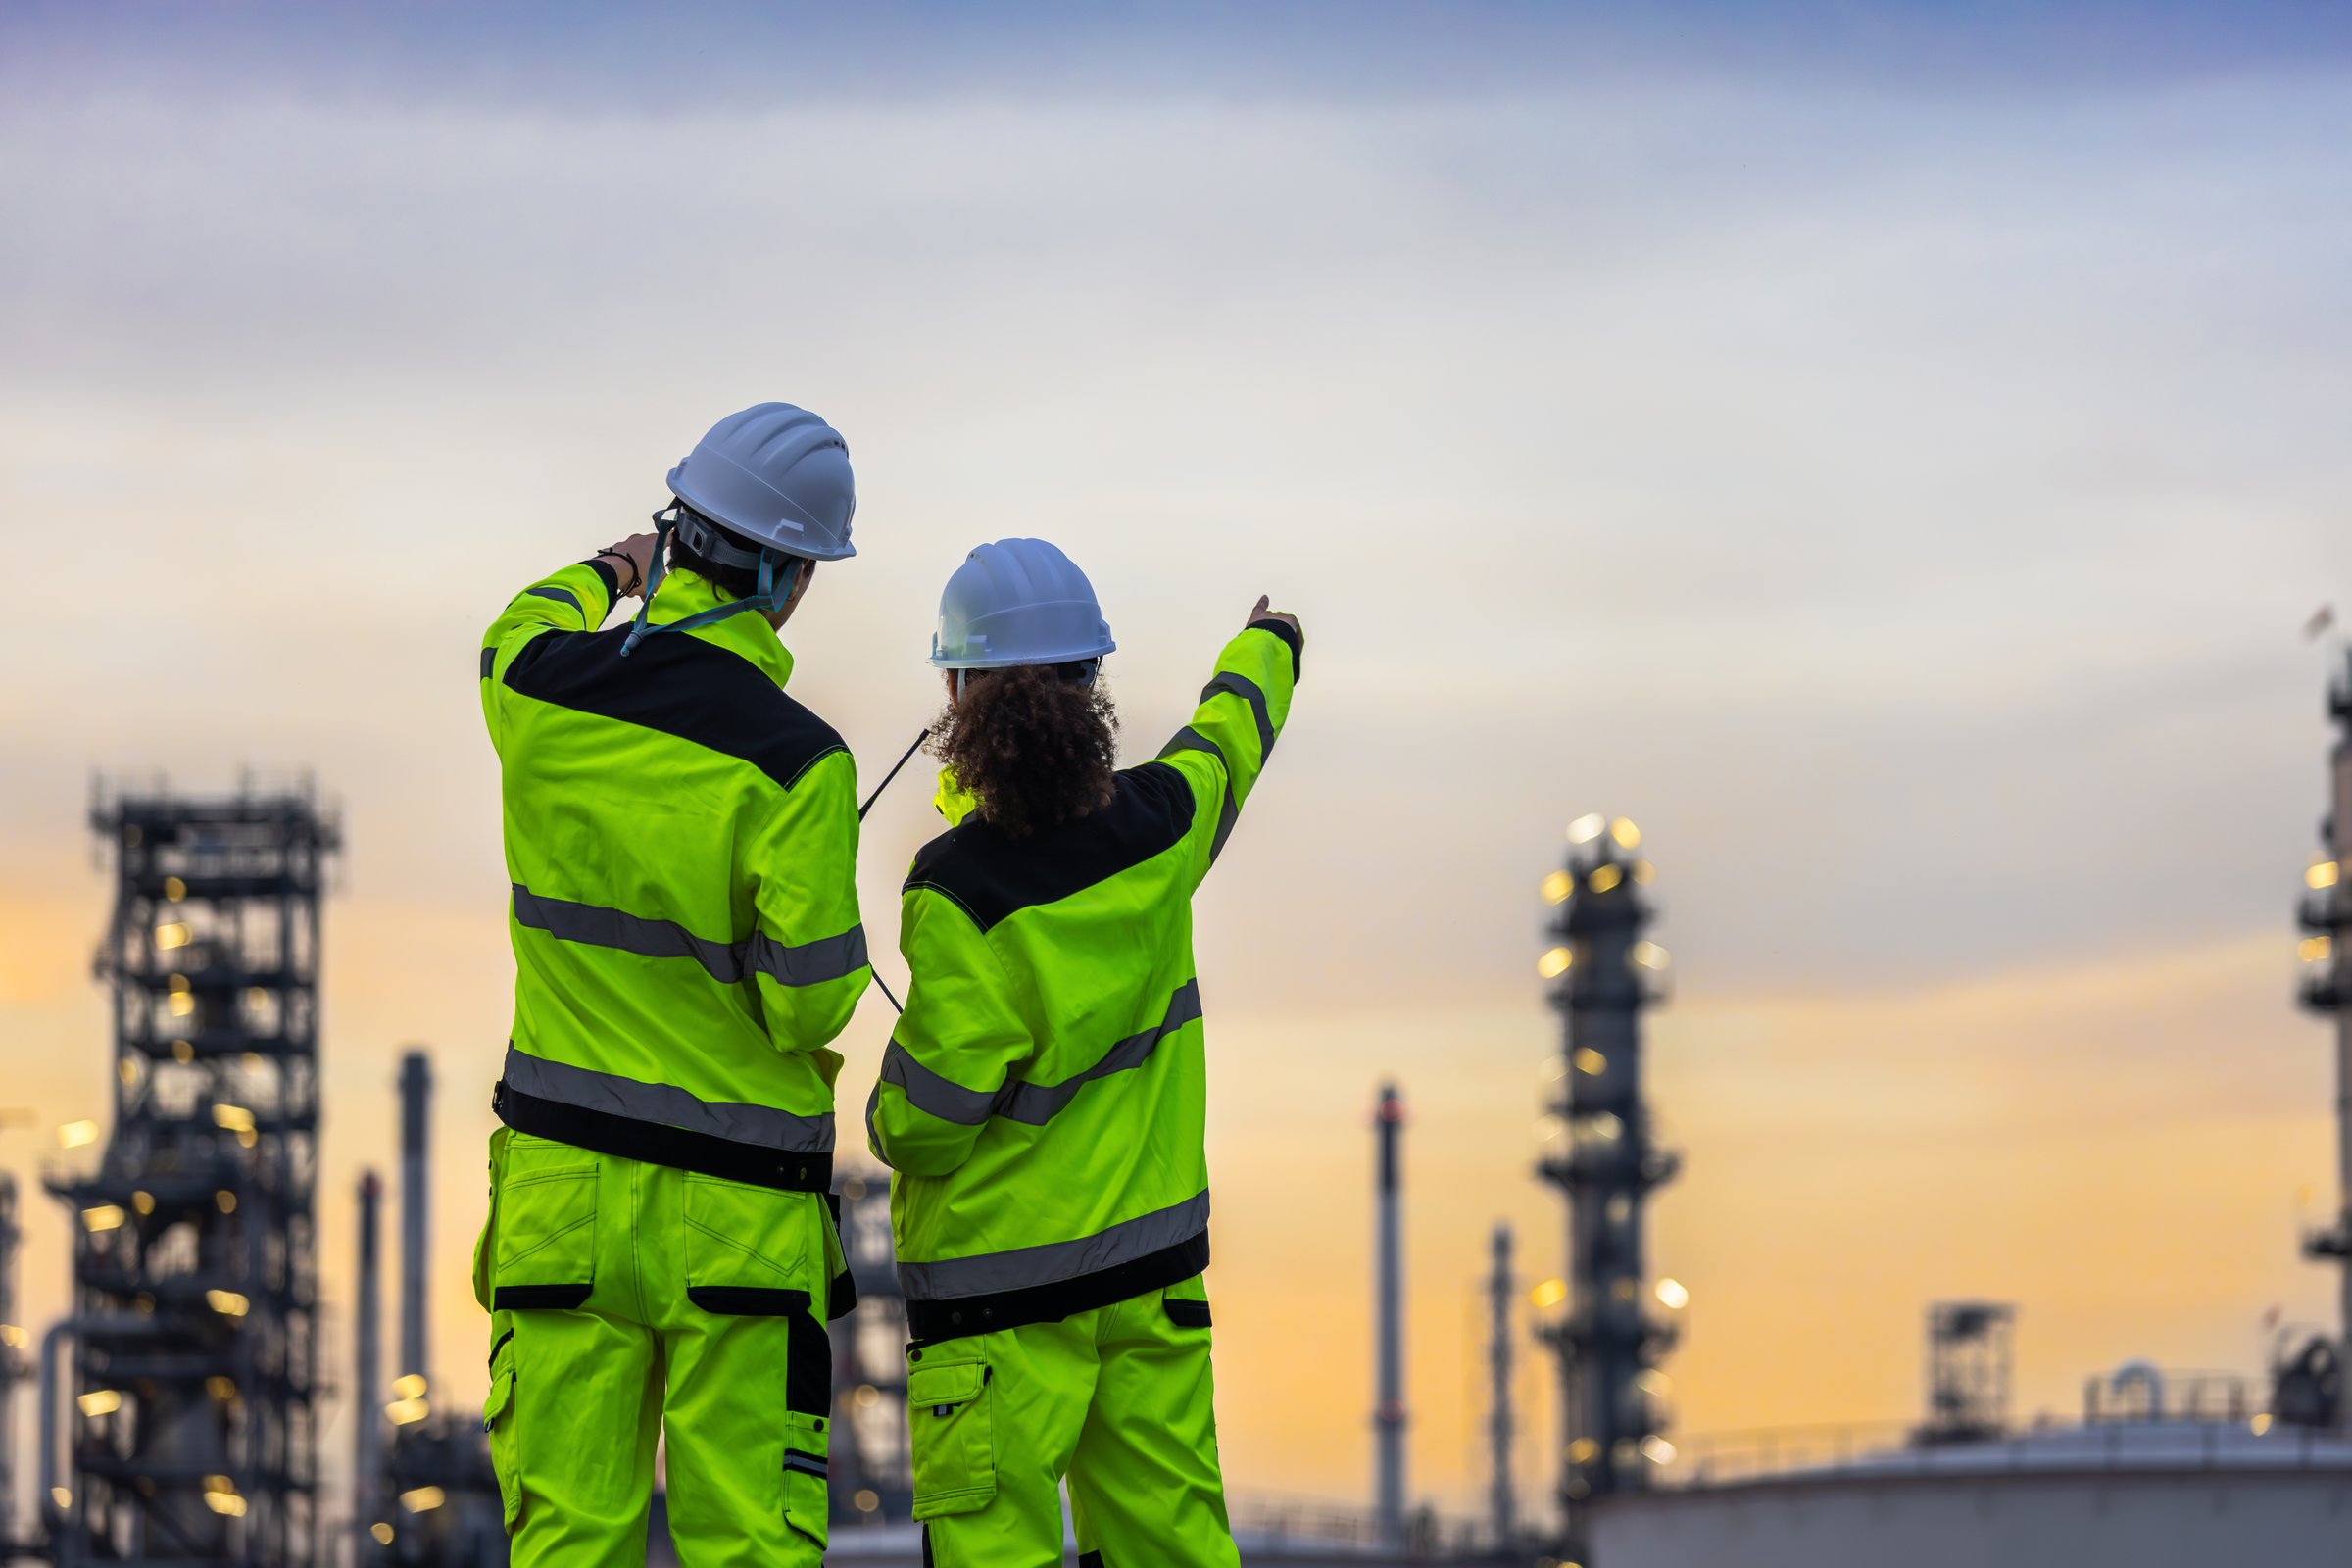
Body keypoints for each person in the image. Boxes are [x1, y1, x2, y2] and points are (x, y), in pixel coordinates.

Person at [473, 403, 869, 1566]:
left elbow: (512, 625)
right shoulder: (801, 763)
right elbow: (812, 1002)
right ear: (791, 576)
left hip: (563, 1203)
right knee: (749, 1544)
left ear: (677, 529)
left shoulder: (539, 692)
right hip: (739, 1224)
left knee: (564, 1546)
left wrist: (609, 568)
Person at [867, 537, 1302, 1566]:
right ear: (1093, 684)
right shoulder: (1164, 826)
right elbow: (1230, 733)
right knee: (1171, 1545)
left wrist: (887, 1109)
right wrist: (1269, 642)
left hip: (996, 1302)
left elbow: (928, 1120)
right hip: (1150, 1282)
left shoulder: (958, 890)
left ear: (959, 692)